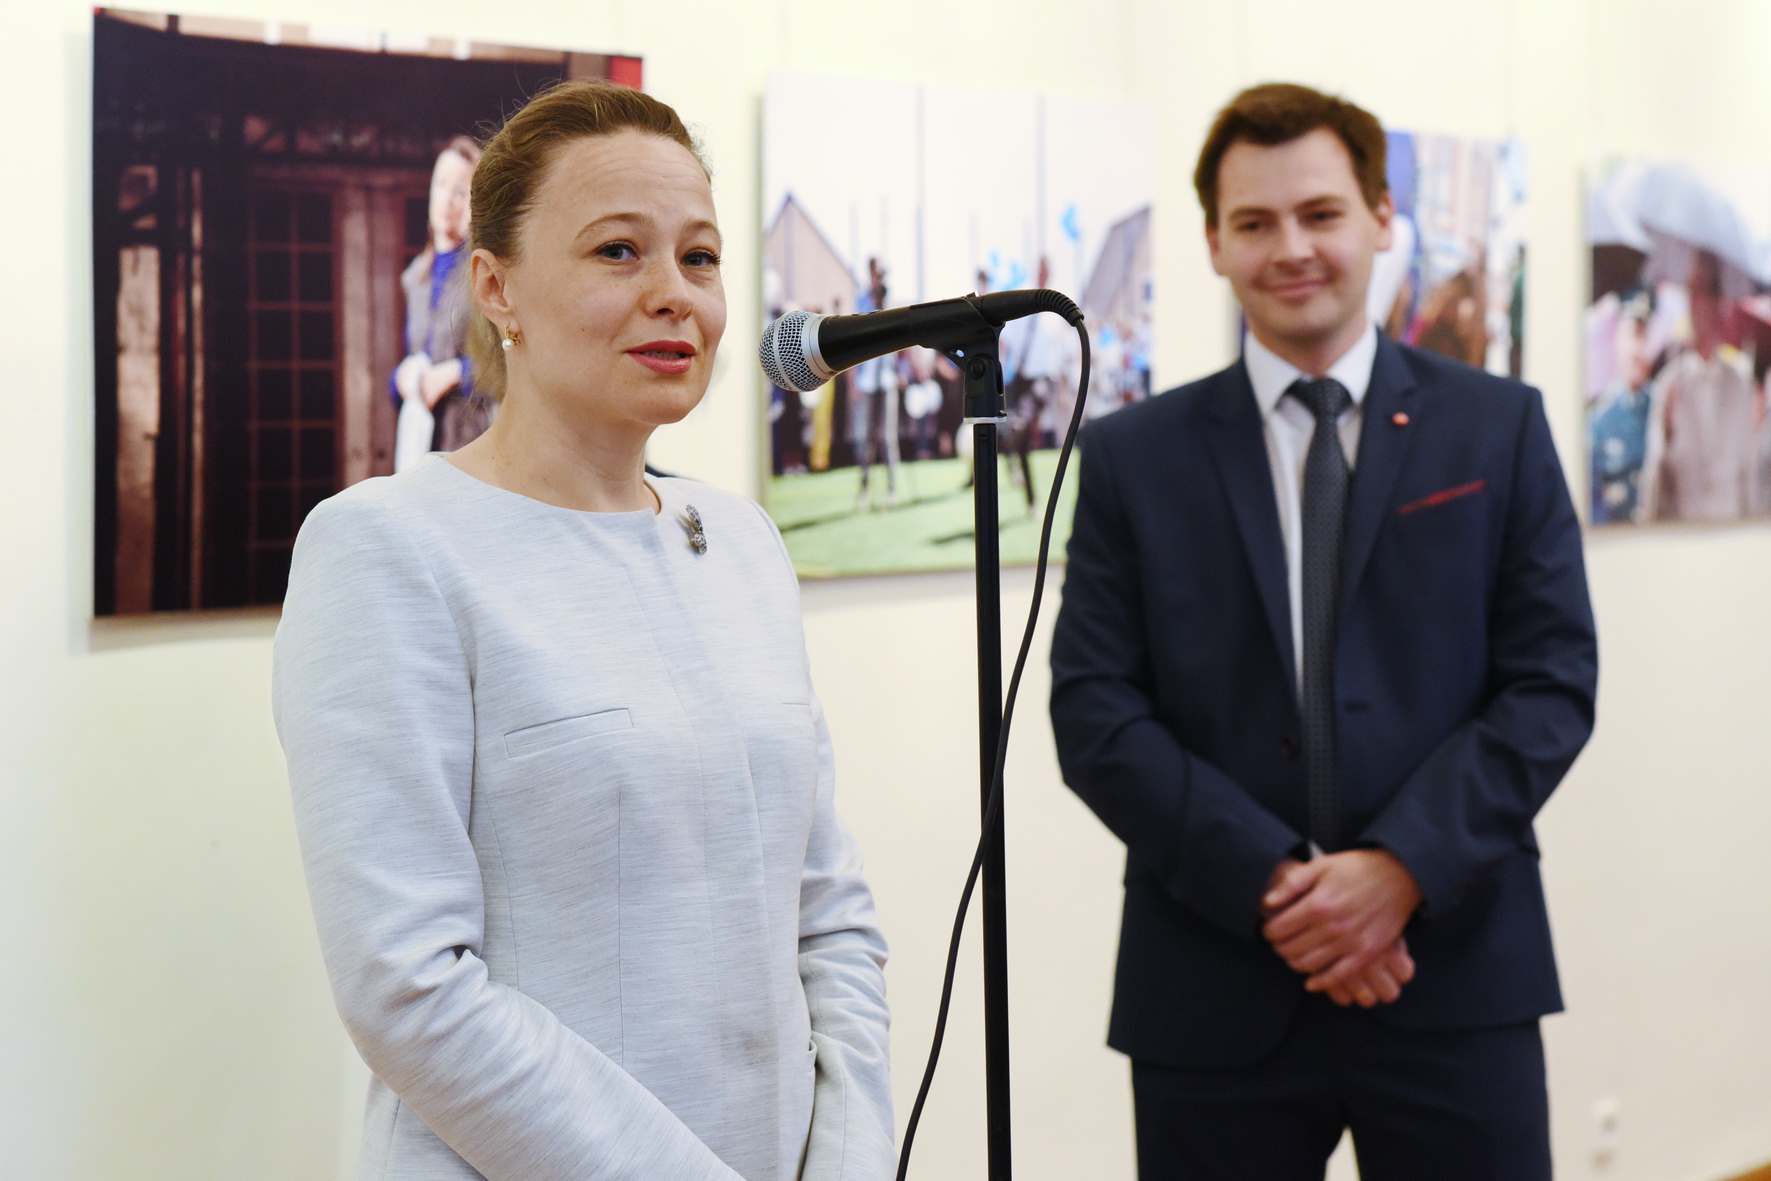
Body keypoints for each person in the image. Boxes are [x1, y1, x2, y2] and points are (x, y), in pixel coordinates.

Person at [274, 81, 893, 1181]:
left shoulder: (743, 544)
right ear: (496, 286)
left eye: (699, 258)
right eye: (618, 251)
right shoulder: (390, 546)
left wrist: (849, 1157)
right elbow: (408, 983)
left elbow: (828, 914)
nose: (674, 296)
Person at [1050, 83, 1596, 1179]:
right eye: (1254, 222)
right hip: (1211, 986)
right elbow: (1095, 711)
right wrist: (1276, 885)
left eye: (1320, 214)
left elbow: (1549, 683)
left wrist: (1396, 870)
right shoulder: (1128, 456)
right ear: (1213, 242)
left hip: (1452, 971)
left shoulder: (1497, 427)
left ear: (1381, 219)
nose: (1291, 248)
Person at [392, 136, 493, 473]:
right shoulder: (415, 277)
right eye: (441, 184)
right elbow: (414, 354)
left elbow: (515, 355)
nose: (448, 198)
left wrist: (458, 373)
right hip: (423, 443)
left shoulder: (487, 273)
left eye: (460, 190)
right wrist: (400, 378)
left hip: (473, 443)